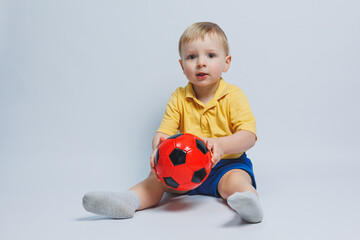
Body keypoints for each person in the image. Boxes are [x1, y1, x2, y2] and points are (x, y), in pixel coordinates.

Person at [82, 22, 263, 223]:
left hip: (225, 165)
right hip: (182, 167)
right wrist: (157, 149)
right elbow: (163, 133)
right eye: (192, 57)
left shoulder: (234, 96)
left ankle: (249, 203)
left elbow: (248, 135)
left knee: (235, 182)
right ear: (182, 65)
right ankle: (128, 201)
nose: (201, 63)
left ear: (227, 62)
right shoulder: (179, 97)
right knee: (155, 180)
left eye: (211, 56)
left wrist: (221, 144)